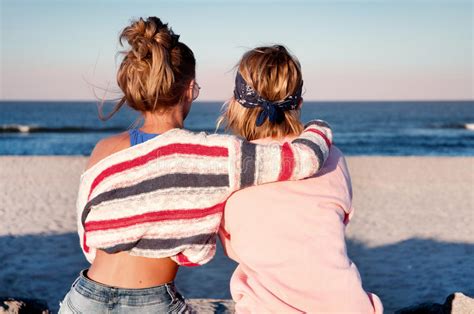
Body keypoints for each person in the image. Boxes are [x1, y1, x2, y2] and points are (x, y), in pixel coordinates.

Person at [59, 18, 333, 313]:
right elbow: (304, 159)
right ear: (189, 89)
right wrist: (318, 127)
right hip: (152, 303)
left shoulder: (104, 150)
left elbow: (88, 238)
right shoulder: (213, 156)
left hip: (83, 297)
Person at [218, 45, 384, 313]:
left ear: (236, 103)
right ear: (298, 104)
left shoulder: (233, 169)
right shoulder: (333, 159)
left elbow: (232, 245)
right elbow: (339, 221)